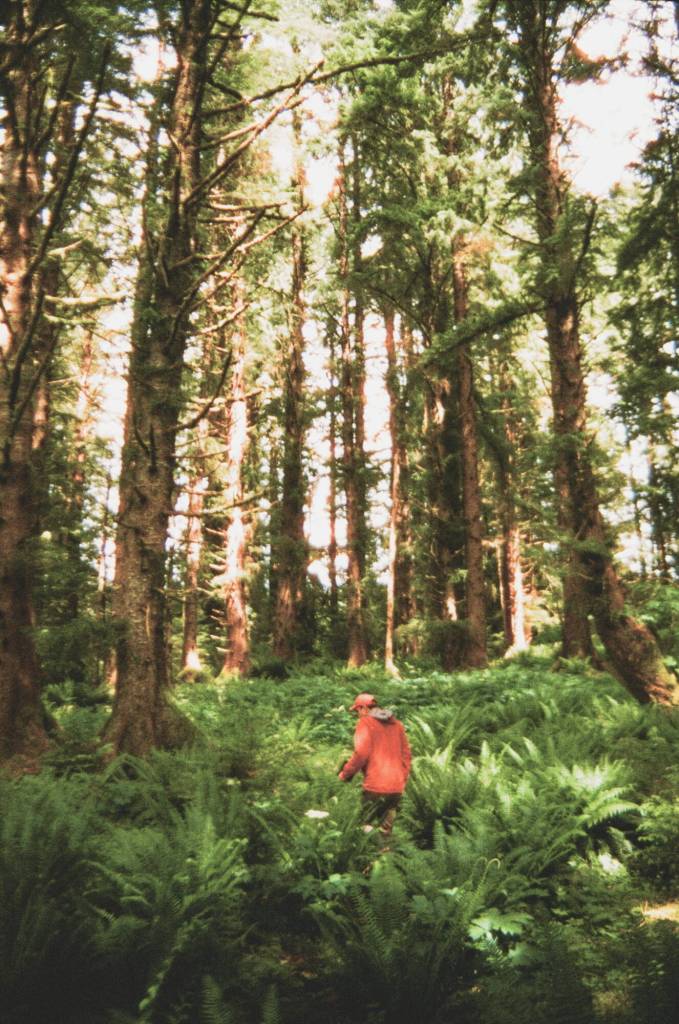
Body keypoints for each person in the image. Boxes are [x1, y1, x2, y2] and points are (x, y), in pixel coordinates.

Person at [338, 692, 411, 837]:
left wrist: (345, 774)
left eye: (357, 711)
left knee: (366, 826)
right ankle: (385, 856)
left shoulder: (365, 723)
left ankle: (370, 856)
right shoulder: (397, 725)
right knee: (386, 831)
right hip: (396, 787)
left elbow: (361, 753)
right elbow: (407, 755)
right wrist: (402, 777)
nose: (358, 715)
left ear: (364, 708)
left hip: (375, 786)